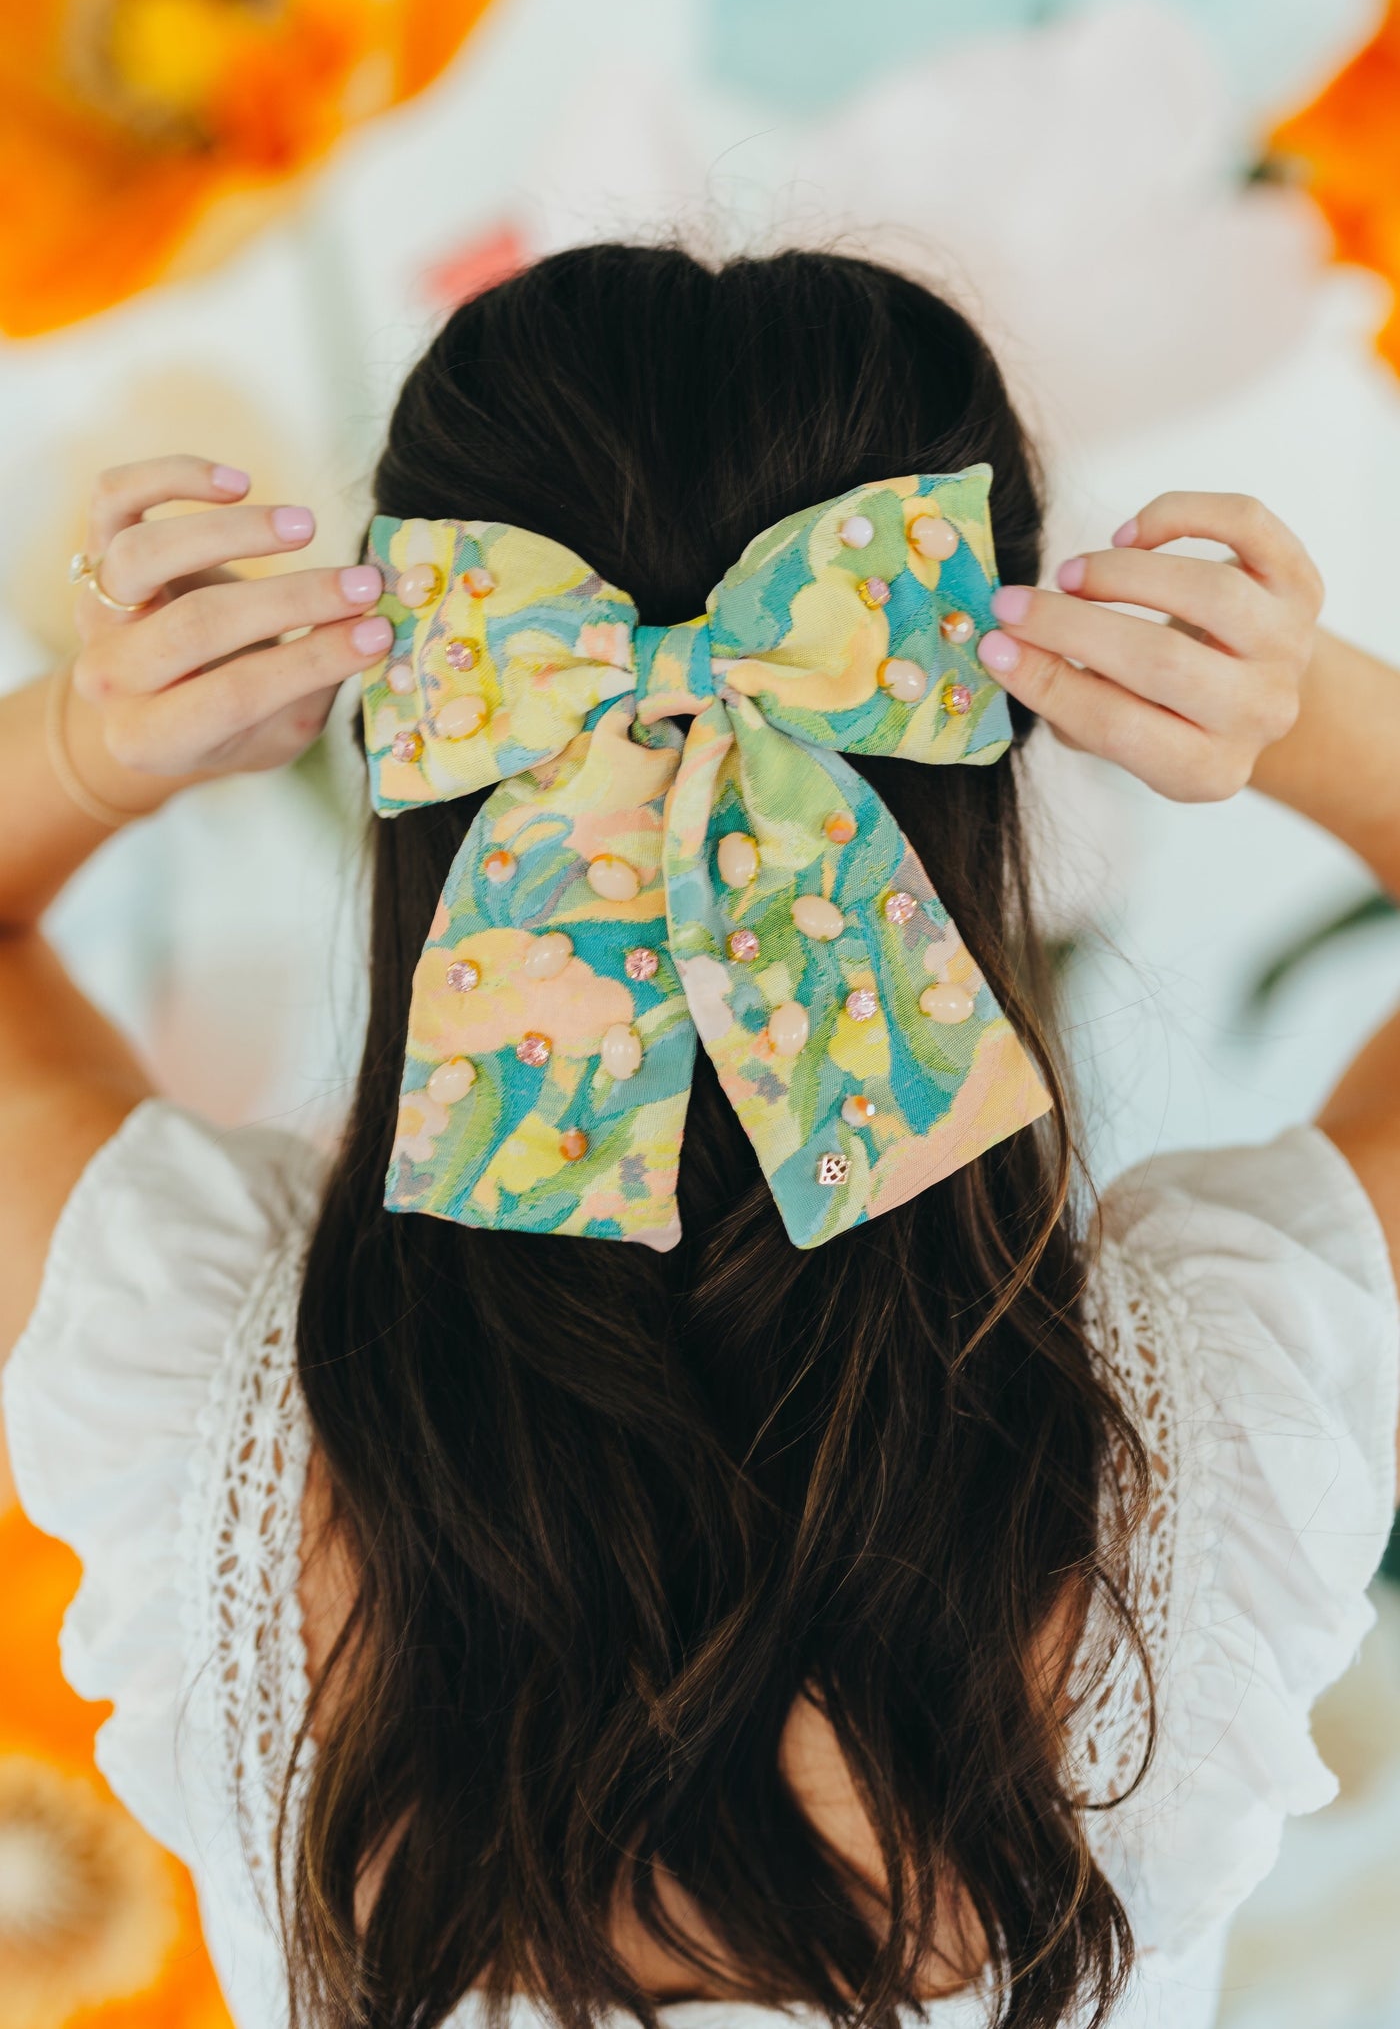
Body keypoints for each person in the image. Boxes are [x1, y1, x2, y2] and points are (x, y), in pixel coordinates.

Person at [1, 244, 1396, 2029]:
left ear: (425, 711)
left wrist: (95, 741)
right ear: (991, 728)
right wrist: (1315, 714)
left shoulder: (210, 1418)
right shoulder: (1218, 1429)